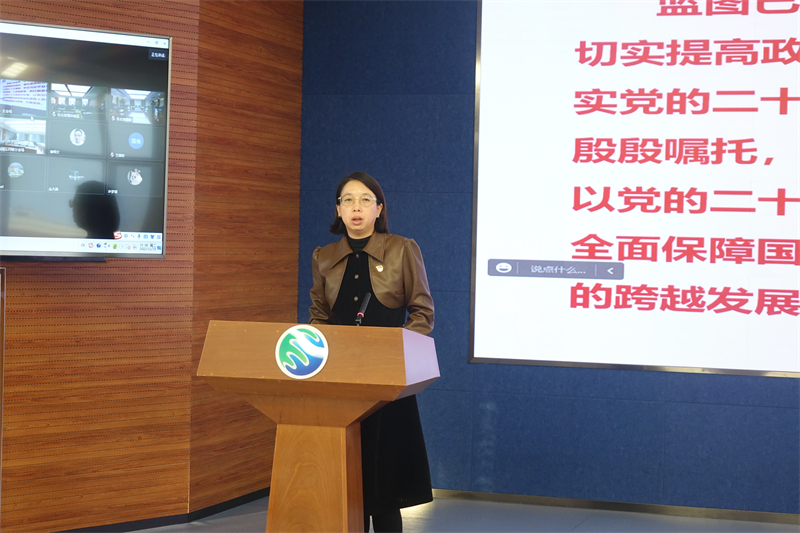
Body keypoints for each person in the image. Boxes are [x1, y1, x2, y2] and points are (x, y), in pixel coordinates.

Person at [309, 171, 434, 533]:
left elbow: (423, 313)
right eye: (347, 200)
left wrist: (395, 359)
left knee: (385, 488)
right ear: (338, 209)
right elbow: (318, 318)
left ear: (379, 208)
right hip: (341, 384)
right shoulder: (323, 257)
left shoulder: (402, 249)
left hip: (387, 384)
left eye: (365, 200)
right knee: (347, 484)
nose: (356, 207)